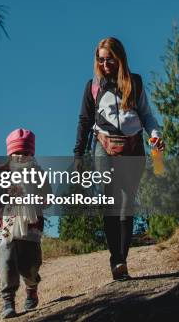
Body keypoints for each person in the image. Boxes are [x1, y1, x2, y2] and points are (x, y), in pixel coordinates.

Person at [73, 37, 165, 281]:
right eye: (100, 60)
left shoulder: (135, 82)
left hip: (133, 148)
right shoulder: (92, 87)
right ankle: (117, 260)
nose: (105, 64)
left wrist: (155, 135)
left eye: (109, 59)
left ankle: (122, 260)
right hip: (104, 147)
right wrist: (78, 155)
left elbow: (146, 115)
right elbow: (84, 122)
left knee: (127, 203)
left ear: (120, 58)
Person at [0, 128, 50, 318]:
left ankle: (31, 286)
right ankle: (8, 300)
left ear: (31, 154)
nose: (21, 157)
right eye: (17, 153)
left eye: (26, 153)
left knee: (30, 264)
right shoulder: (1, 173)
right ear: (10, 153)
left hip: (31, 225)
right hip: (6, 223)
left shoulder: (38, 174)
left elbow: (47, 198)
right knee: (6, 259)